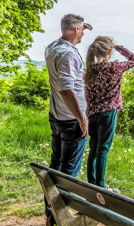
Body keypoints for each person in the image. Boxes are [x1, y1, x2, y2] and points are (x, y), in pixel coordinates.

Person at [44, 14, 92, 225]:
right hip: (71, 121)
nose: (82, 34)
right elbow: (66, 89)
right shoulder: (69, 55)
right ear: (74, 31)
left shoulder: (53, 48)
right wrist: (82, 119)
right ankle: (59, 218)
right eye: (80, 30)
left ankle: (50, 212)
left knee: (55, 167)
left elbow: (68, 35)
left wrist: (82, 26)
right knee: (68, 173)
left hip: (56, 117)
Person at [84, 36, 134, 192]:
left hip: (93, 113)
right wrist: (118, 47)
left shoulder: (89, 70)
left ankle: (92, 182)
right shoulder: (114, 67)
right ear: (109, 51)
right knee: (103, 148)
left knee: (94, 147)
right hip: (109, 112)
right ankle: (100, 186)